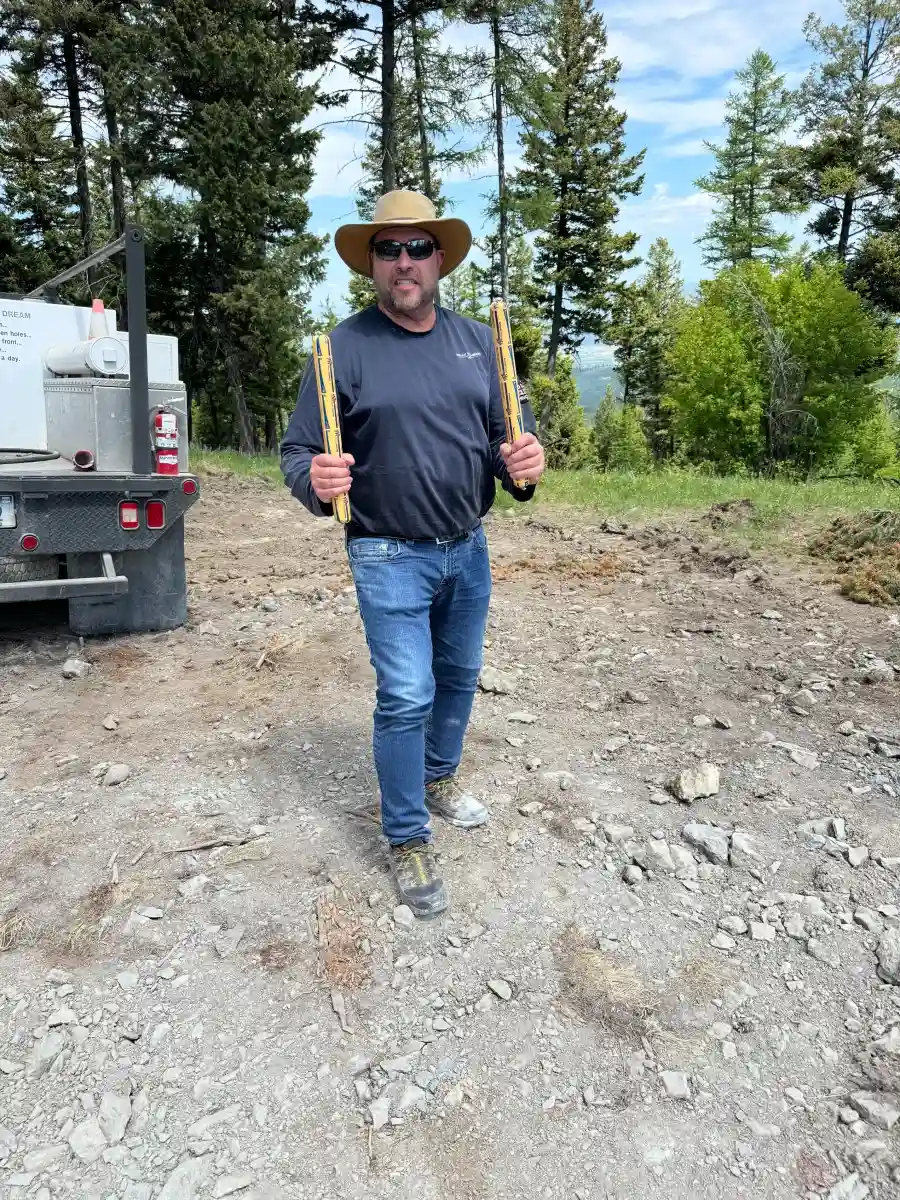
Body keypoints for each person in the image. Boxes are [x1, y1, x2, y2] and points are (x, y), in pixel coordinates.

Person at [280, 190, 546, 919]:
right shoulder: (340, 349)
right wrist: (313, 478)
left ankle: (438, 777)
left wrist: (524, 462)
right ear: (372, 263)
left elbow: (506, 437)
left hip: (468, 548)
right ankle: (405, 836)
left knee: (459, 676)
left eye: (418, 248)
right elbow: (298, 449)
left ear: (440, 260)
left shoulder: (476, 343)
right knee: (406, 694)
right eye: (389, 249)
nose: (404, 262)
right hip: (386, 552)